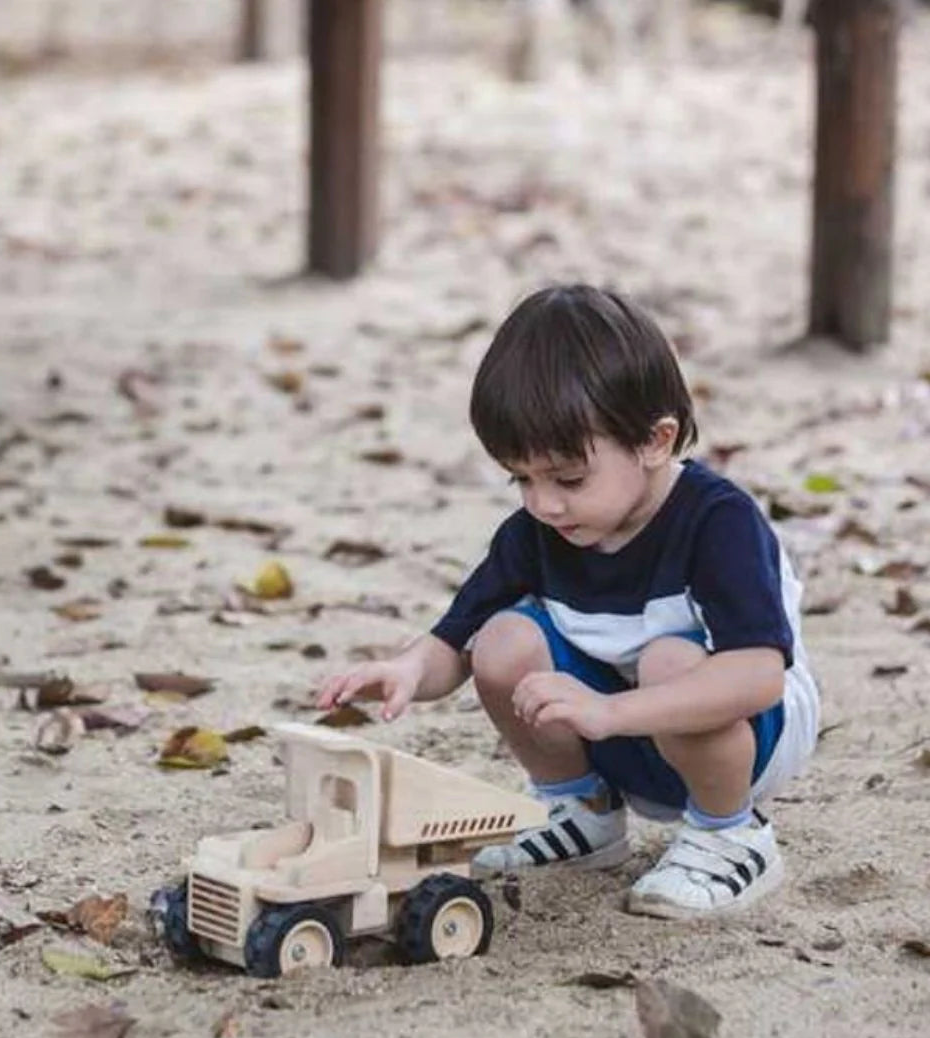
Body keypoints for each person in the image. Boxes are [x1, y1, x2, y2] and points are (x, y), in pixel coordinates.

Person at [316, 284, 819, 920]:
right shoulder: (539, 531)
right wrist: (407, 670)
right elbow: (456, 644)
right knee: (502, 640)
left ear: (656, 441)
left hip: (743, 738)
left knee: (669, 657)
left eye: (568, 478)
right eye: (521, 478)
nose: (543, 503)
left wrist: (615, 709)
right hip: (614, 726)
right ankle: (582, 813)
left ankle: (730, 836)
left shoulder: (720, 523)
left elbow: (757, 676)